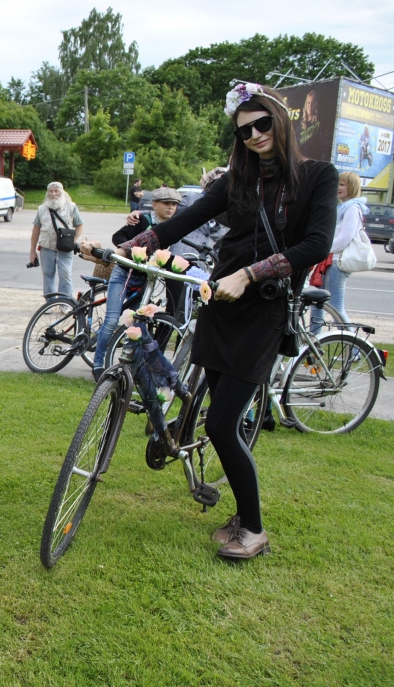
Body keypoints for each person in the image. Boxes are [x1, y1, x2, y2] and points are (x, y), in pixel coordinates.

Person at [85, 83, 337, 559]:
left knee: (221, 424)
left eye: (263, 124)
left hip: (263, 307)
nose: (255, 135)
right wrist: (129, 245)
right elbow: (186, 219)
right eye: (244, 131)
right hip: (220, 302)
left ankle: (255, 529)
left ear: (281, 122)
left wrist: (250, 273)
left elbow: (317, 244)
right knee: (220, 416)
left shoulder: (318, 176)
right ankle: (241, 510)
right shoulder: (237, 181)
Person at [87, 186, 182, 380]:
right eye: (166, 204)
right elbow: (118, 237)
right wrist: (134, 249)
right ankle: (98, 364)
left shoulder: (175, 226)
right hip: (124, 273)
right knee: (112, 319)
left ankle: (133, 367)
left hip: (147, 280)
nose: (170, 208)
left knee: (138, 323)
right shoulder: (143, 220)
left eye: (174, 205)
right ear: (154, 204)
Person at [310, 171, 367, 330]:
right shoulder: (342, 208)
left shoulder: (352, 209)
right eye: (337, 184)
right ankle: (314, 344)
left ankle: (353, 350)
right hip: (328, 262)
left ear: (352, 187)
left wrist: (322, 248)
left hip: (337, 263)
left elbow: (344, 240)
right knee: (316, 303)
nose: (337, 188)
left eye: (342, 184)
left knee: (335, 307)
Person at [29, 182, 84, 298]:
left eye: (56, 191)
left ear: (62, 192)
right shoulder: (41, 209)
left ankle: (65, 303)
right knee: (47, 275)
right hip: (47, 247)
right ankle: (50, 302)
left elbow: (79, 225)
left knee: (65, 275)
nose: (53, 194)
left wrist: (72, 241)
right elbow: (36, 230)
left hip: (65, 248)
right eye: (51, 191)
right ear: (47, 193)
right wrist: (32, 250)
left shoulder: (71, 206)